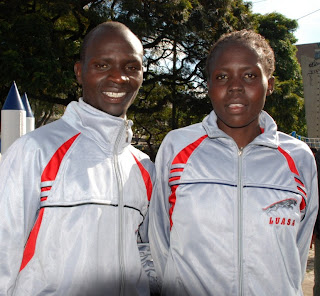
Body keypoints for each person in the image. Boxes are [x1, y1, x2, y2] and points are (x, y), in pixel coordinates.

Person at [149, 29, 318, 295]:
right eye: (222, 76)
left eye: (249, 75)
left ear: (269, 84)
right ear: (209, 85)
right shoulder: (177, 147)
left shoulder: (299, 158)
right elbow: (159, 240)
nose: (235, 86)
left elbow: (296, 251)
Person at [0, 21, 156, 296]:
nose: (118, 77)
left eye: (131, 67)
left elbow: (143, 249)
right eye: (102, 65)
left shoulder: (143, 166)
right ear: (79, 72)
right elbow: (4, 249)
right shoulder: (36, 150)